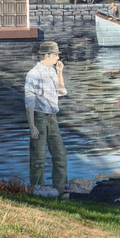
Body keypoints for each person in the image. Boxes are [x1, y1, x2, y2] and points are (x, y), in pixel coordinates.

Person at [25, 41, 68, 193]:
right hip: (39, 117)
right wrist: (32, 125)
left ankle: (61, 189)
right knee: (38, 158)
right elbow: (29, 101)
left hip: (52, 117)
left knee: (60, 154)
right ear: (48, 55)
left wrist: (60, 72)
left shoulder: (52, 71)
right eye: (56, 55)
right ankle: (38, 189)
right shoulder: (34, 74)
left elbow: (61, 91)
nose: (58, 58)